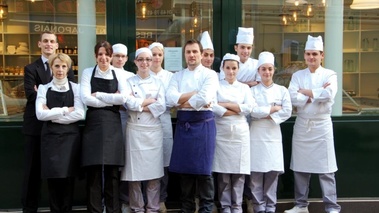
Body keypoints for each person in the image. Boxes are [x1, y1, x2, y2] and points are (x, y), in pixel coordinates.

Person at [284, 35, 341, 213]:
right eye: (308, 54)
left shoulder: (330, 74)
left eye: (314, 54)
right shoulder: (297, 75)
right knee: (300, 168)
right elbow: (292, 96)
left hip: (322, 125)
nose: (311, 57)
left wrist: (306, 93)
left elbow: (329, 95)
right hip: (302, 125)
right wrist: (315, 94)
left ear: (321, 55)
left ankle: (332, 207)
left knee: (327, 169)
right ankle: (301, 205)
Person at [22, 31, 75, 213]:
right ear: (39, 44)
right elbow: (31, 94)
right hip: (35, 128)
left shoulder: (67, 67)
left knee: (59, 172)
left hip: (59, 129)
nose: (48, 44)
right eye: (45, 41)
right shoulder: (30, 68)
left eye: (52, 41)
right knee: (32, 172)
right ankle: (30, 209)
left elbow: (71, 99)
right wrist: (44, 98)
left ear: (56, 45)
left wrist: (45, 99)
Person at [166, 39, 219, 213]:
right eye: (188, 52)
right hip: (184, 126)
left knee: (205, 172)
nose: (191, 55)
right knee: (185, 173)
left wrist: (182, 102)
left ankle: (205, 209)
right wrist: (192, 96)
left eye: (195, 51)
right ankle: (186, 209)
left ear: (201, 54)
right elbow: (170, 99)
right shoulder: (177, 76)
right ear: (184, 55)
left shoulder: (210, 75)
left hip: (203, 125)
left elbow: (205, 97)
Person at [80, 40, 129, 212]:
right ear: (95, 56)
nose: (103, 58)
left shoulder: (119, 74)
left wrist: (99, 95)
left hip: (112, 125)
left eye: (107, 54)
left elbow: (123, 98)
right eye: (100, 54)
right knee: (93, 171)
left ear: (111, 56)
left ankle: (113, 209)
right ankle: (95, 210)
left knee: (112, 171)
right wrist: (111, 99)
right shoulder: (87, 73)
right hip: (93, 124)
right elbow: (86, 99)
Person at [35, 53, 85, 212]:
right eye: (56, 66)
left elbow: (79, 114)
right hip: (50, 140)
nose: (60, 70)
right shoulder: (43, 88)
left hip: (70, 140)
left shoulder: (76, 88)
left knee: (68, 181)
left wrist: (53, 114)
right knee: (53, 180)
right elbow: (40, 115)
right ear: (51, 68)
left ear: (68, 68)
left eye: (64, 66)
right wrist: (64, 110)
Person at [120, 47, 166, 213]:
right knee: (134, 176)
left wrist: (139, 104)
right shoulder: (128, 82)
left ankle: (152, 208)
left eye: (148, 59)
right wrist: (147, 102)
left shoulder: (158, 82)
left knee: (154, 175)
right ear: (135, 62)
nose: (145, 62)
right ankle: (138, 208)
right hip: (134, 131)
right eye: (141, 59)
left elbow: (161, 106)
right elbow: (127, 103)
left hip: (153, 131)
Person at [249, 52, 292, 213]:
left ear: (274, 70)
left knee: (272, 173)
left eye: (269, 69)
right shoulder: (252, 91)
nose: (266, 72)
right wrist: (273, 109)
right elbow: (252, 111)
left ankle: (270, 206)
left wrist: (264, 114)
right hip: (256, 135)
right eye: (263, 69)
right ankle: (258, 206)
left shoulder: (282, 91)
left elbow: (287, 111)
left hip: (273, 134)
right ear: (258, 71)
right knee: (256, 173)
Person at [212, 53, 255, 213]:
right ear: (223, 68)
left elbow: (249, 108)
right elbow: (213, 107)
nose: (231, 71)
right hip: (221, 132)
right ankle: (225, 206)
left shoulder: (244, 88)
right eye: (228, 68)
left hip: (240, 134)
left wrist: (226, 105)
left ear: (238, 69)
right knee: (223, 174)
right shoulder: (216, 86)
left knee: (239, 173)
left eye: (234, 68)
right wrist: (237, 108)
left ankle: (237, 206)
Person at [148, 42, 174, 213]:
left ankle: (161, 199)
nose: (156, 58)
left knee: (164, 163)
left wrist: (149, 103)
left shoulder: (170, 77)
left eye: (159, 54)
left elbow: (172, 101)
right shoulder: (142, 74)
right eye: (153, 55)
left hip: (164, 122)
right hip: (145, 123)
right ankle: (147, 199)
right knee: (147, 162)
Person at [111, 43, 135, 213]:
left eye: (122, 56)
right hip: (111, 120)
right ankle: (111, 202)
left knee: (127, 161)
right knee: (113, 161)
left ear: (126, 59)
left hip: (129, 120)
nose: (119, 59)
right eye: (116, 56)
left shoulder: (131, 76)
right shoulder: (106, 73)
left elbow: (133, 100)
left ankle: (126, 200)